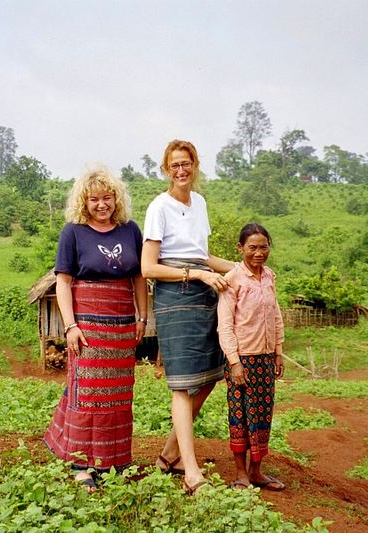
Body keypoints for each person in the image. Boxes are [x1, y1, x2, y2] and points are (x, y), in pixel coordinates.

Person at [43, 167, 148, 492]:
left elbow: (139, 278)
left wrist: (142, 318)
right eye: (94, 199)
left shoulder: (130, 230)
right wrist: (70, 326)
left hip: (121, 326)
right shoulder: (73, 233)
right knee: (87, 393)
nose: (101, 205)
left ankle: (114, 460)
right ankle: (81, 463)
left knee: (117, 395)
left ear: (116, 198)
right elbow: (63, 282)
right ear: (84, 202)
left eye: (107, 197)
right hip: (87, 324)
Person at [141, 139, 235, 495]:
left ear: (195, 166)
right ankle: (190, 472)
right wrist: (195, 275)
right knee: (183, 384)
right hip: (176, 295)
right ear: (166, 170)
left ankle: (169, 454)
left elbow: (204, 256)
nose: (181, 170)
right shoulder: (158, 208)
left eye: (187, 163)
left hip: (205, 290)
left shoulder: (201, 204)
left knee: (211, 376)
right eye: (174, 165)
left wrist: (245, 268)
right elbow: (149, 267)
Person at [217, 223, 286, 491]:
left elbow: (276, 316)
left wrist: (278, 351)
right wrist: (234, 361)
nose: (259, 253)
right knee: (241, 417)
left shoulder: (269, 276)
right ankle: (241, 474)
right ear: (240, 248)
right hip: (242, 359)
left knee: (262, 415)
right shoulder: (232, 279)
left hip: (266, 359)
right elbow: (225, 324)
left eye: (264, 247)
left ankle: (257, 472)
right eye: (252, 247)